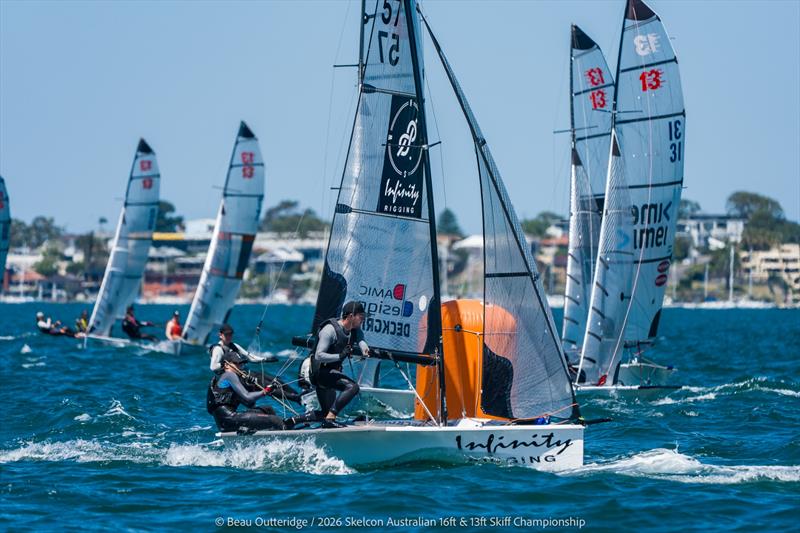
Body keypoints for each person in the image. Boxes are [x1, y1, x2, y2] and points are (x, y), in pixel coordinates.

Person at [310, 301, 370, 428]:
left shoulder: (354, 329)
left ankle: (290, 422)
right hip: (320, 373)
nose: (363, 319)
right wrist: (340, 356)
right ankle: (331, 418)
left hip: (332, 373)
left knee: (325, 414)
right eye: (361, 316)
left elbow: (360, 339)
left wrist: (364, 349)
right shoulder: (329, 330)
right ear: (350, 316)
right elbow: (319, 355)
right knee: (353, 387)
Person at [210, 324, 303, 405]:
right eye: (226, 334)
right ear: (220, 335)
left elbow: (250, 357)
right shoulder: (218, 349)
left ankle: (297, 395)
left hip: (244, 374)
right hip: (233, 379)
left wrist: (265, 359)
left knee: (274, 380)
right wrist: (226, 364)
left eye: (230, 334)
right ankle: (295, 398)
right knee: (265, 383)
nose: (229, 336)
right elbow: (213, 367)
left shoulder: (234, 345)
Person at [206, 351, 286, 433]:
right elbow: (248, 397)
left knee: (267, 409)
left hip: (225, 423)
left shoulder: (227, 379)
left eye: (241, 363)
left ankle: (272, 434)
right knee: (275, 421)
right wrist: (266, 390)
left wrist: (251, 386)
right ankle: (285, 433)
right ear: (226, 365)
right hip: (229, 419)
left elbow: (250, 404)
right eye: (236, 363)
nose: (240, 366)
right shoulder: (229, 375)